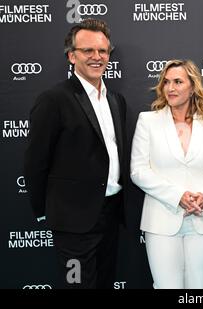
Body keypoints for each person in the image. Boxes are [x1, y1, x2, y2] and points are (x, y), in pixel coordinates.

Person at [24, 18, 127, 289]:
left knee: (105, 282)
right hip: (73, 221)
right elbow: (36, 162)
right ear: (72, 56)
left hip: (111, 213)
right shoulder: (54, 99)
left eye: (103, 51)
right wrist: (45, 211)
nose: (97, 57)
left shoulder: (116, 100)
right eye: (88, 51)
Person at [130, 59, 203, 289]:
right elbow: (138, 171)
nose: (170, 88)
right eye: (166, 82)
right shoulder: (148, 121)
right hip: (162, 220)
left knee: (199, 287)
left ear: (193, 87)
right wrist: (178, 196)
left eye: (178, 82)